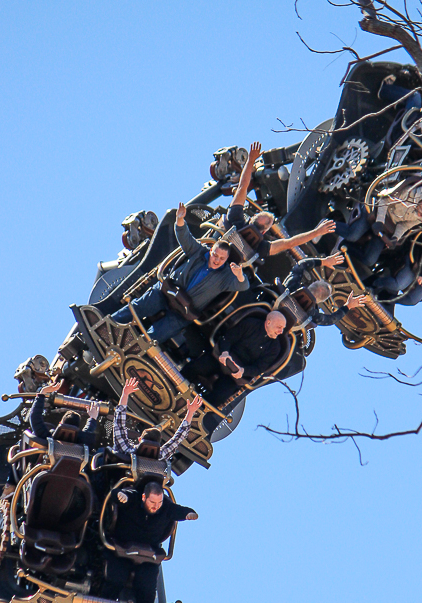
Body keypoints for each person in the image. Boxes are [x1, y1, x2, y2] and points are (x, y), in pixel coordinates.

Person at [111, 202, 249, 342]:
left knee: (154, 337)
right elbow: (185, 238)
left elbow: (243, 286)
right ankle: (108, 327)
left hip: (182, 312)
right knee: (137, 308)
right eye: (215, 255)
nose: (217, 260)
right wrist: (180, 220)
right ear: (211, 250)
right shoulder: (199, 251)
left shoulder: (226, 276)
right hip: (166, 292)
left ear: (226, 260)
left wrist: (239, 275)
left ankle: (134, 350)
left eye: (222, 258)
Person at [224, 141, 337, 257]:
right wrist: (317, 232)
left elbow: (242, 187)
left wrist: (250, 160)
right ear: (264, 232)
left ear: (252, 217)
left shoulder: (235, 218)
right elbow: (291, 242)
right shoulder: (260, 248)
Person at [182, 311, 287, 431]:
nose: (281, 332)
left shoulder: (275, 347)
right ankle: (175, 385)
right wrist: (225, 353)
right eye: (279, 327)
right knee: (197, 367)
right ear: (268, 322)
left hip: (235, 375)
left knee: (220, 396)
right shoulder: (251, 324)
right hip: (221, 359)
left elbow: (259, 368)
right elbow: (229, 338)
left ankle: (191, 417)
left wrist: (243, 371)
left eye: (283, 329)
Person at [101, 481, 198, 603]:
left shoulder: (166, 508)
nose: (156, 506)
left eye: (159, 502)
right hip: (122, 549)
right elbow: (118, 494)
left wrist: (188, 514)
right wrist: (121, 496)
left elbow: (179, 510)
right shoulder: (134, 498)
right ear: (143, 497)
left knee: (147, 587)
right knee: (115, 580)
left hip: (148, 555)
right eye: (152, 502)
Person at [112, 377, 203, 459]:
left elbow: (119, 423)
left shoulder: (125, 449)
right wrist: (191, 412)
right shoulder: (160, 456)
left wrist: (125, 394)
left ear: (140, 439)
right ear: (158, 444)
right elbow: (178, 438)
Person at [283, 254, 369, 325]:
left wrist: (324, 261)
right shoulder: (311, 314)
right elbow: (331, 320)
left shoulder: (291, 286)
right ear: (321, 301)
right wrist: (348, 306)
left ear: (312, 284)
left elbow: (301, 265)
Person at [29, 380, 100, 448]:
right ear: (77, 429)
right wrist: (93, 417)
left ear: (61, 423)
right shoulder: (83, 443)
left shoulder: (48, 439)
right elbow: (88, 430)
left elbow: (35, 418)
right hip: (74, 460)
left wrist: (42, 393)